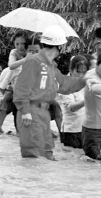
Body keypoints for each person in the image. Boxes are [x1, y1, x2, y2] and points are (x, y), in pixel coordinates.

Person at [13, 25, 88, 160]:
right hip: (31, 112)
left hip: (43, 114)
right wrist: (25, 111)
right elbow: (20, 88)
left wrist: (85, 81)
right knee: (34, 157)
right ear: (59, 46)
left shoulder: (51, 66)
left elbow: (65, 85)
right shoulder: (34, 61)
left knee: (47, 155)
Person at [0, 31, 28, 134]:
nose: (20, 46)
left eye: (22, 43)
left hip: (27, 88)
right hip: (13, 85)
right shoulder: (14, 52)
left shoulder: (32, 50)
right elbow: (11, 65)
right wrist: (25, 60)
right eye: (17, 44)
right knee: (5, 101)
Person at [56, 55, 90, 148]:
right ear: (70, 70)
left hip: (85, 129)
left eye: (84, 72)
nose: (81, 75)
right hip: (70, 132)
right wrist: (87, 101)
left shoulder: (87, 83)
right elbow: (71, 107)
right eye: (78, 72)